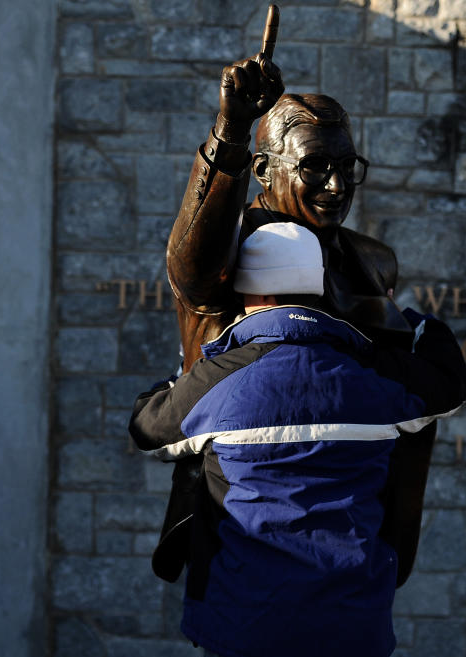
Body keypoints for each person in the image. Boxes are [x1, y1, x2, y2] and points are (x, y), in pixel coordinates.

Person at [159, 33, 432, 586]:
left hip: (356, 530)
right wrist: (231, 131)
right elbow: (192, 260)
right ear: (264, 170)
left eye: (346, 165)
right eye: (314, 167)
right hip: (249, 531)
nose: (336, 186)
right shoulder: (230, 256)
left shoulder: (373, 261)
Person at [130, 223, 466, 657]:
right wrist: (401, 318)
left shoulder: (218, 380)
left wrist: (184, 374)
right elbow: (448, 384)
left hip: (243, 629)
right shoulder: (374, 372)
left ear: (258, 295)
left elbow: (146, 429)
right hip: (352, 629)